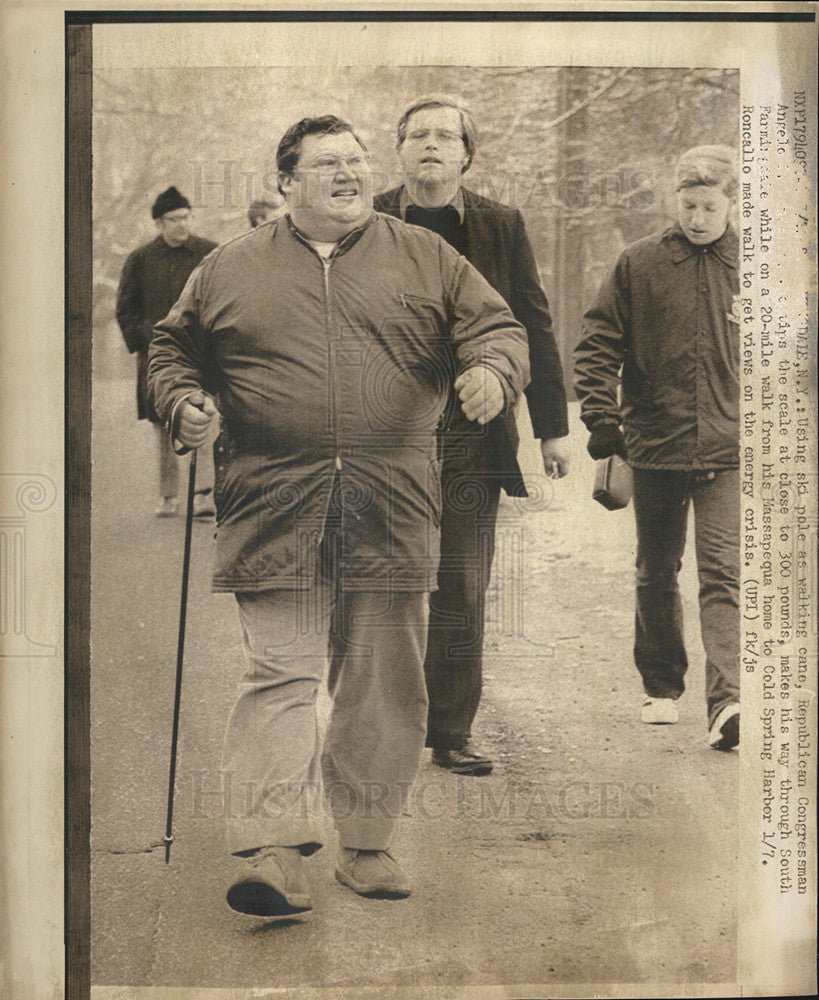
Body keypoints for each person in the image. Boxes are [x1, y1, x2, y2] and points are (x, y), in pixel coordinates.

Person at [147, 115, 530, 916]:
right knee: (279, 672)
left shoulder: (424, 253)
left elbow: (497, 326)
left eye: (356, 160)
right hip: (271, 503)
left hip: (391, 503)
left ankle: (365, 844)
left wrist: (493, 371)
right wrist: (181, 400)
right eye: (327, 163)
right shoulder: (229, 267)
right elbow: (170, 349)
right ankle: (274, 853)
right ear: (287, 181)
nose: (349, 173)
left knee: (383, 680)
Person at [374, 95, 570, 776]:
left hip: (472, 429)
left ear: (465, 154)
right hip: (384, 433)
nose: (430, 144)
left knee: (460, 583)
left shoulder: (499, 224)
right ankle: (384, 727)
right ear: (397, 150)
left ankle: (449, 730)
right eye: (417, 133)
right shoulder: (363, 221)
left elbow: (532, 322)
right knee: (388, 584)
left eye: (444, 136)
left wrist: (550, 427)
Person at [574, 145, 740, 751]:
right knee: (657, 569)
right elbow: (597, 343)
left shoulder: (759, 266)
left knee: (724, 573)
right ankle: (662, 686)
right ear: (674, 201)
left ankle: (728, 702)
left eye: (709, 206)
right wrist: (600, 417)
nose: (697, 217)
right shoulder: (638, 264)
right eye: (688, 205)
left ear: (731, 203)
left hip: (730, 450)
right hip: (655, 447)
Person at [116, 186, 218, 517]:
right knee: (163, 424)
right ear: (159, 223)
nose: (181, 224)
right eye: (173, 219)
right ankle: (167, 496)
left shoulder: (210, 254)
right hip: (157, 357)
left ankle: (204, 494)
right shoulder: (140, 259)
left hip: (200, 354)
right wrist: (145, 340)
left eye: (186, 217)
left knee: (203, 418)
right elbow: (125, 310)